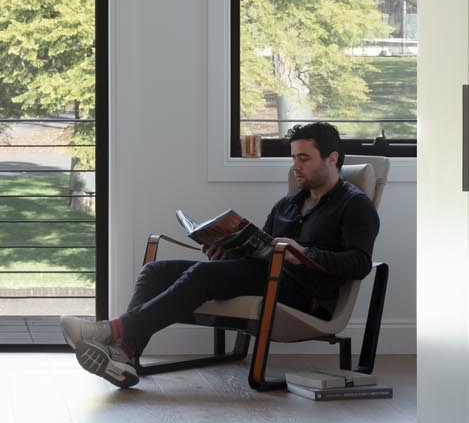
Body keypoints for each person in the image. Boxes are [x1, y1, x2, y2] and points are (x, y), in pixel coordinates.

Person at [60, 120, 379, 388]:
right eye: (293, 158)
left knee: (201, 276)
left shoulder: (354, 204)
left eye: (304, 159)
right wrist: (225, 251)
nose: (294, 166)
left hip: (304, 294)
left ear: (332, 158)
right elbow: (261, 250)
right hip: (263, 276)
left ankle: (112, 331)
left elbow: (360, 263)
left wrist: (305, 253)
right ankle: (127, 355)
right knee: (155, 271)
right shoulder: (287, 204)